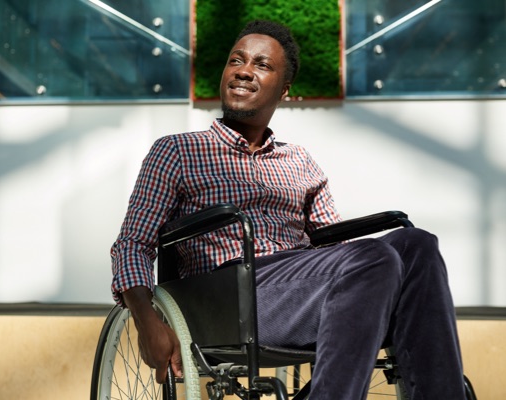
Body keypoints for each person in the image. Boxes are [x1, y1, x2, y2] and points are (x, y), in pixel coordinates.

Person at [111, 20, 466, 399]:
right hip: (226, 295)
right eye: (237, 60)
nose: (244, 70)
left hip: (298, 287)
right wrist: (146, 322)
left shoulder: (300, 161)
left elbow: (339, 250)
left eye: (262, 65)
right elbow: (132, 244)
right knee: (375, 257)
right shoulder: (177, 150)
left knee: (416, 244)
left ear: (284, 89)